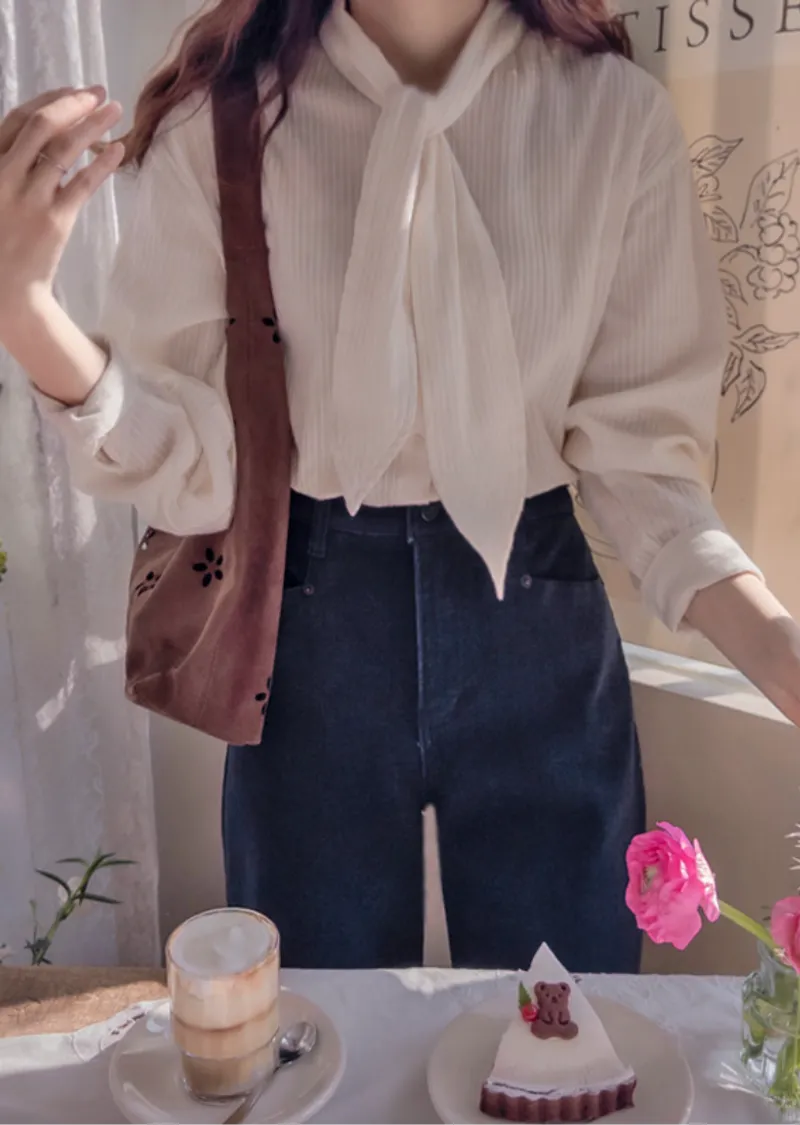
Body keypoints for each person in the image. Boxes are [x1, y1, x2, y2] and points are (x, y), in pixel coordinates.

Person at [1, 0, 799, 972]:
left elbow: (639, 462)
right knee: (315, 1022)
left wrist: (777, 654)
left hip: (534, 611)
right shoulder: (227, 118)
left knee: (566, 1017)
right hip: (309, 622)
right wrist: (26, 313)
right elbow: (194, 467)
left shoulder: (608, 116)